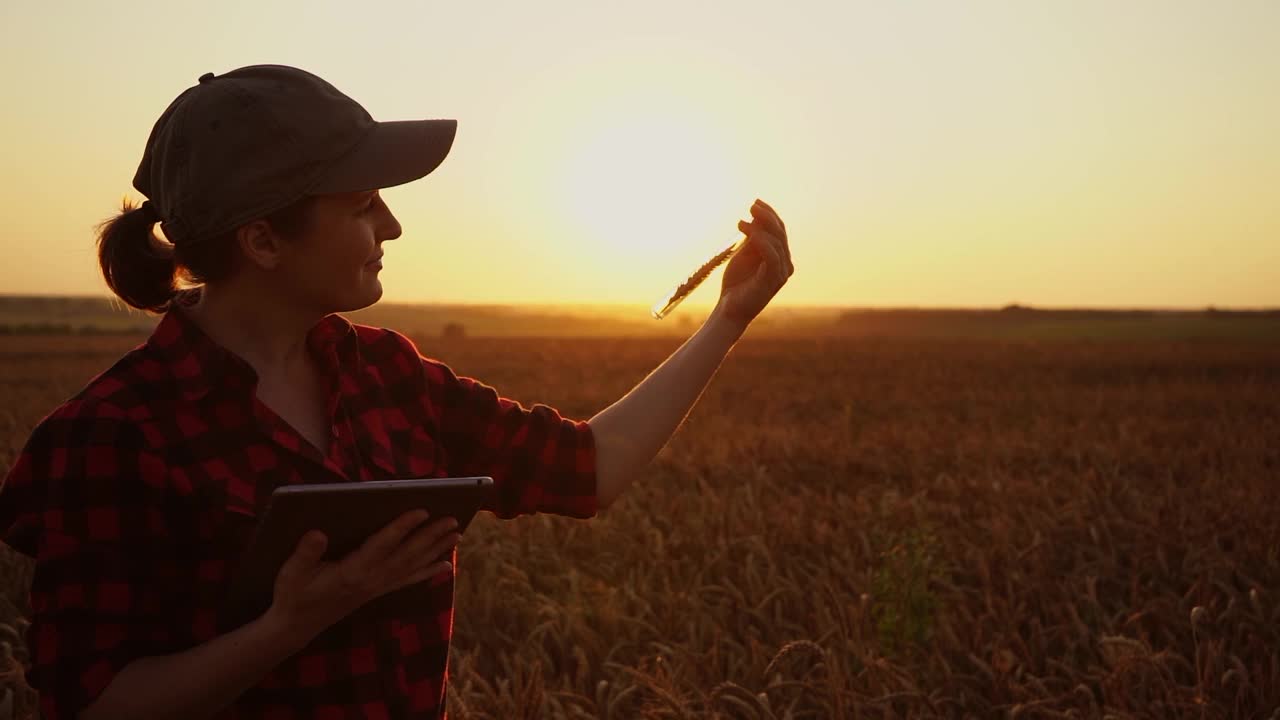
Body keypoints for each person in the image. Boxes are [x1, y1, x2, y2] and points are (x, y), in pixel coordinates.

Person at [0, 64, 794, 720]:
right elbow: (88, 706)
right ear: (264, 240)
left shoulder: (386, 374)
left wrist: (728, 318)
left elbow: (587, 468)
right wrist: (293, 622)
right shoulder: (112, 436)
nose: (393, 226)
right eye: (362, 204)